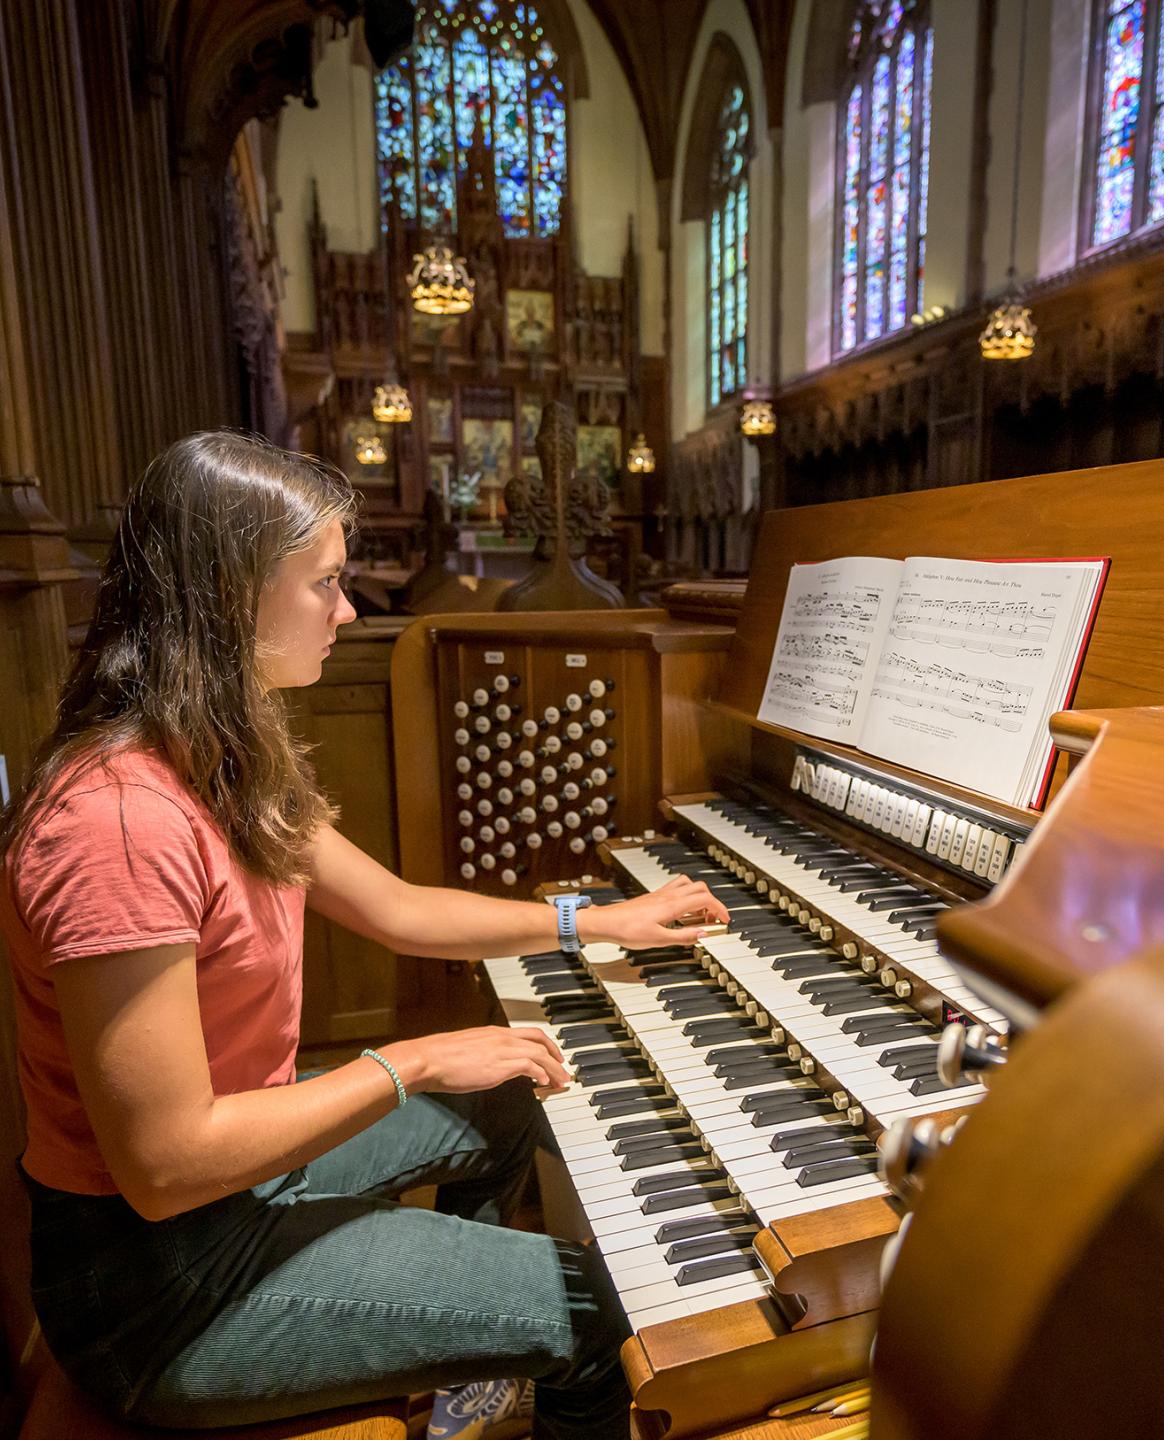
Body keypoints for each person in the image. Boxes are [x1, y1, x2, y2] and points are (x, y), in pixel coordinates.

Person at [0, 432, 727, 1438]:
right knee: (604, 1312)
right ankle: (508, 1340)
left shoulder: (218, 756)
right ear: (231, 591)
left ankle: (470, 1369)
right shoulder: (118, 822)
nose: (348, 610)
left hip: (238, 1185)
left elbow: (398, 909)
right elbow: (164, 1166)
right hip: (157, 1287)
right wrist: (414, 1060)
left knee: (512, 1086)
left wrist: (597, 919)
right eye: (326, 584)